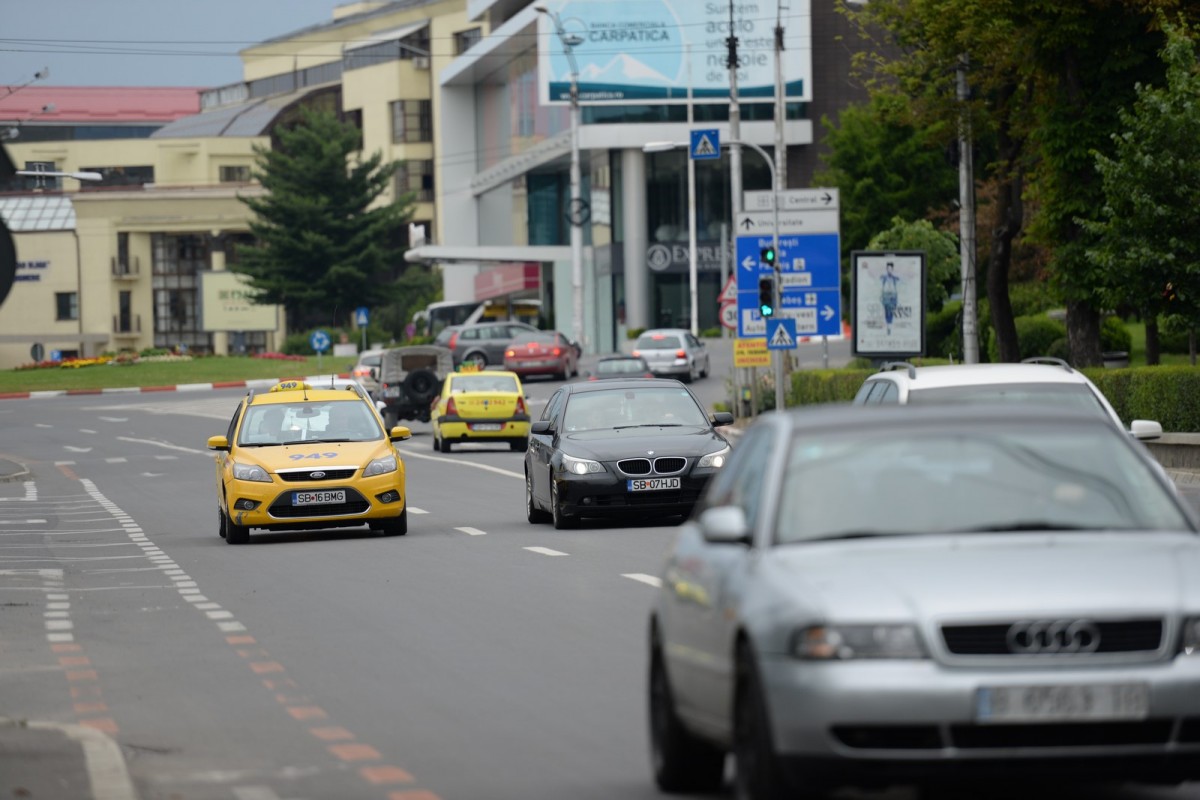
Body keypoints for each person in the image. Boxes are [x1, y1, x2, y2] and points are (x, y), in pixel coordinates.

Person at [880, 261, 901, 335]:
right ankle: (888, 326)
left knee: (891, 312)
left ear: (892, 269)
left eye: (890, 268)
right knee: (887, 312)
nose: (889, 270)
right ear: (886, 269)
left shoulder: (895, 278)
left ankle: (889, 326)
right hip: (886, 296)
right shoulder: (884, 278)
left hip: (893, 297)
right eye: (888, 268)